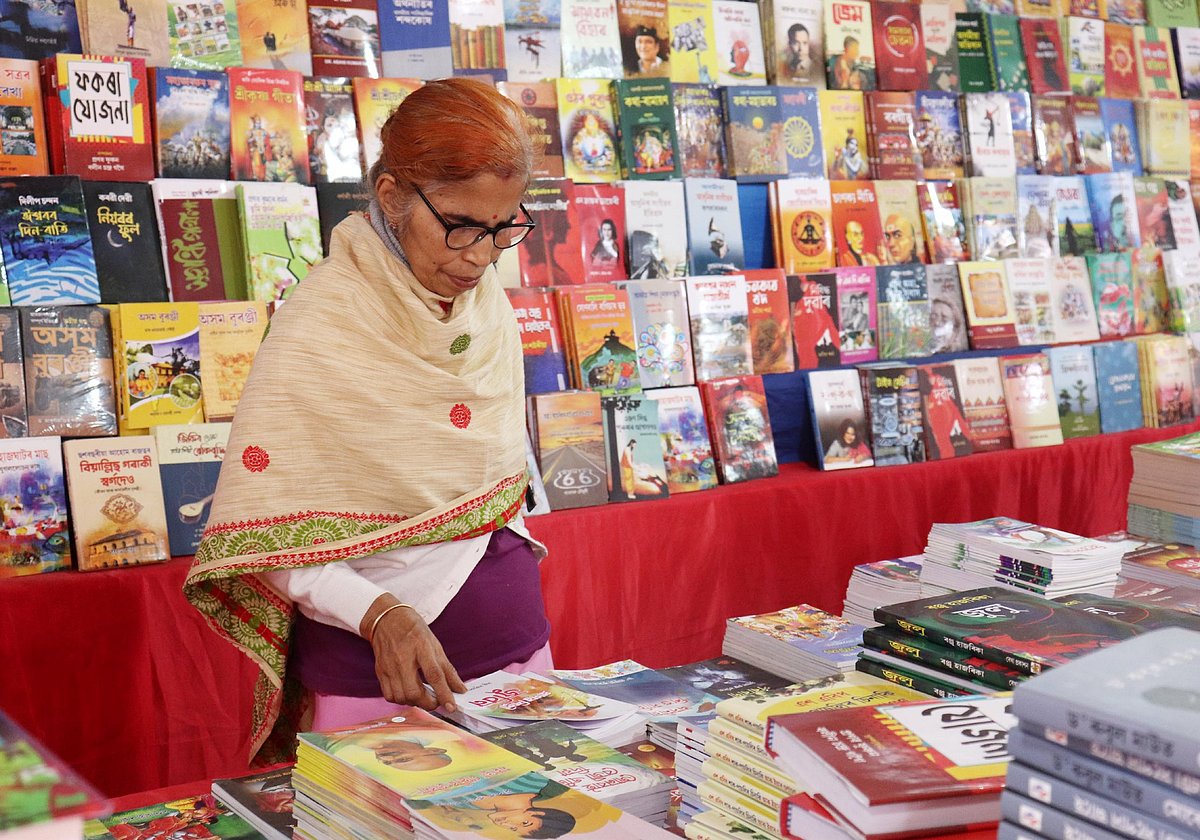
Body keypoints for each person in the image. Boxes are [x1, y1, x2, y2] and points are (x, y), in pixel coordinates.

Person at [184, 77, 552, 765]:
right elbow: (268, 531)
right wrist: (378, 614)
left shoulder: (485, 303)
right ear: (391, 198)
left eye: (504, 227)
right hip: (373, 680)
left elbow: (495, 488)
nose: (480, 255)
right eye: (461, 226)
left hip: (518, 658)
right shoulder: (320, 325)